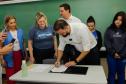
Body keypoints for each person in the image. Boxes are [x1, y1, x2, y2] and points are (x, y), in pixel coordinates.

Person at [3, 15, 26, 84]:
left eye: (14, 22)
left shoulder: (20, 31)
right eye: (11, 23)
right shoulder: (4, 33)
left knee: (20, 74)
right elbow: (0, 46)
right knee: (11, 76)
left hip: (19, 54)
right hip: (8, 56)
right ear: (7, 23)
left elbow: (23, 42)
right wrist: (2, 59)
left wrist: (25, 54)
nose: (13, 24)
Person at [104, 11, 126, 84]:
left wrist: (122, 54)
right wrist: (113, 53)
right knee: (111, 73)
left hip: (122, 57)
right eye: (117, 19)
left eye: (120, 20)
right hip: (111, 56)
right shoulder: (109, 29)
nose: (118, 21)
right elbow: (107, 43)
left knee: (121, 74)